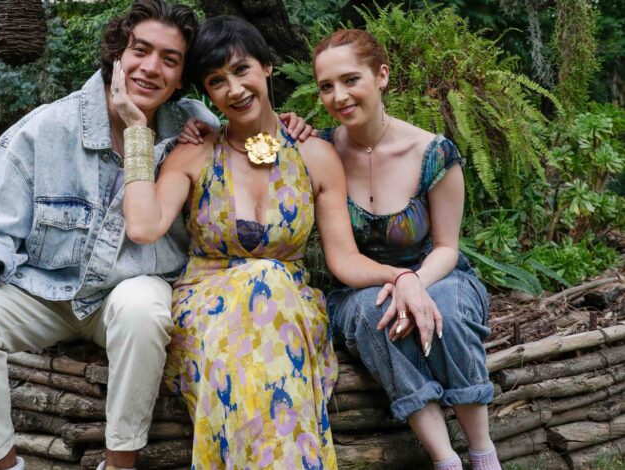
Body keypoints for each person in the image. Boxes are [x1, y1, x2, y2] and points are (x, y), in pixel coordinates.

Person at [122, 15, 437, 468]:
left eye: (242, 70)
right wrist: (137, 131)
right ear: (207, 93)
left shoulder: (314, 155)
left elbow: (344, 259)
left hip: (287, 308)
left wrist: (401, 276)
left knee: (267, 284)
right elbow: (143, 227)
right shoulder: (194, 152)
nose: (234, 89)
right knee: (261, 286)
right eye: (216, 81)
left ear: (267, 66)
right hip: (206, 312)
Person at [0, 2, 219, 469]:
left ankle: (119, 464)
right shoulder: (48, 128)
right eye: (140, 50)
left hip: (127, 293)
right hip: (45, 292)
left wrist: (301, 131)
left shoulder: (193, 128)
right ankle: (0, 464)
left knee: (145, 309)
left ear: (181, 78)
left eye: (169, 59)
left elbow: (253, 140)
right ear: (117, 55)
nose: (151, 67)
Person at [313, 29, 498, 470]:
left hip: (438, 272)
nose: (339, 96)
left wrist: (414, 282)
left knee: (446, 308)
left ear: (381, 75)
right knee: (377, 316)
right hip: (360, 285)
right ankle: (445, 460)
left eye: (350, 79)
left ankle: (483, 452)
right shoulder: (319, 151)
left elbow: (447, 247)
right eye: (326, 86)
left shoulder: (432, 152)